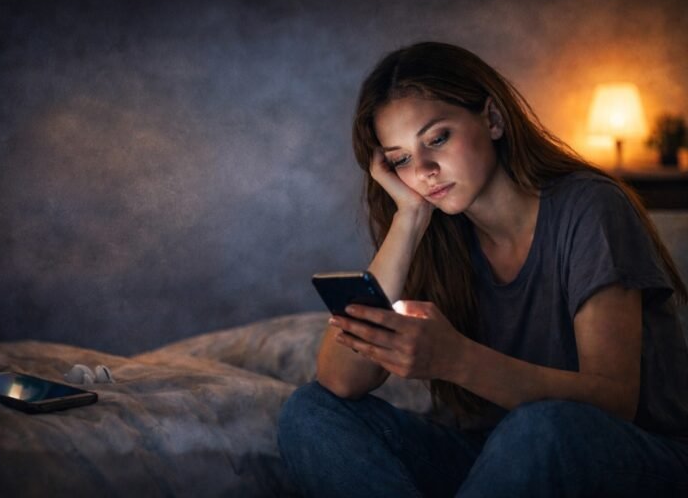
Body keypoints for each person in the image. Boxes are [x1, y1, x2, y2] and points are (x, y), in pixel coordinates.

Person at [277, 42, 688, 497]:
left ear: (492, 119)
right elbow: (341, 381)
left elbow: (615, 401)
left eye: (437, 139)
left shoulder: (590, 207)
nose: (425, 170)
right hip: (490, 454)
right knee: (310, 410)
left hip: (625, 455)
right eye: (401, 160)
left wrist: (456, 359)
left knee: (540, 427)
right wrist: (409, 218)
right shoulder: (434, 232)